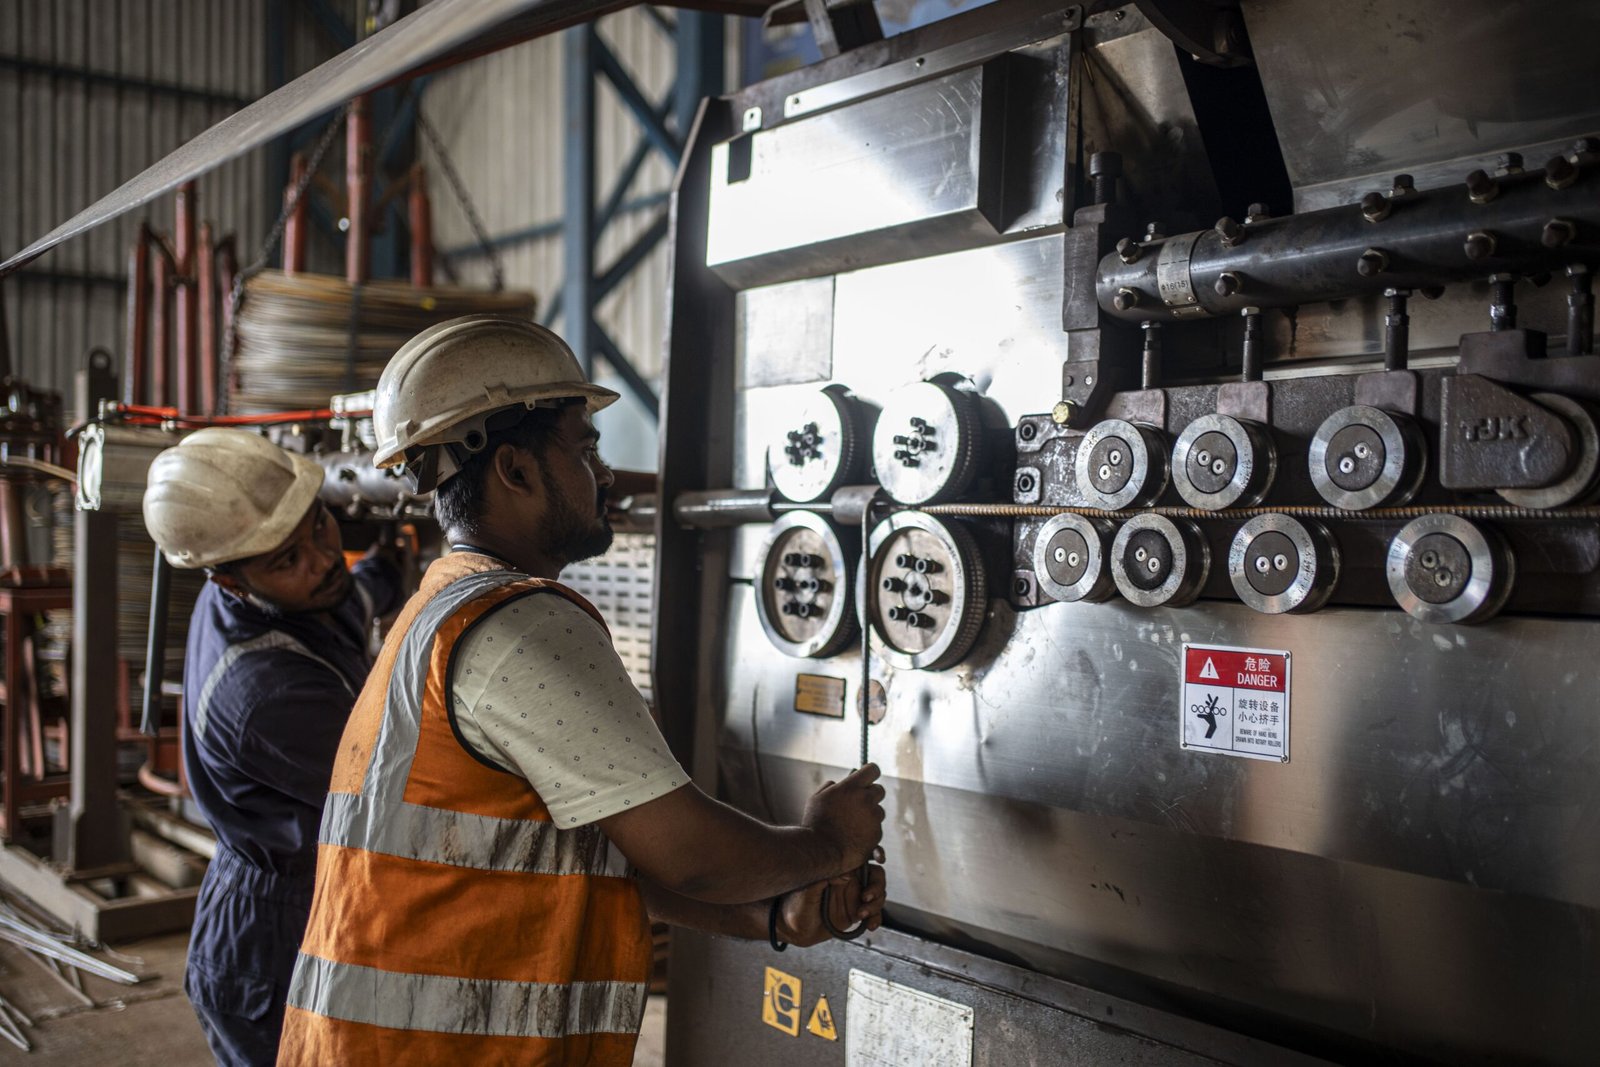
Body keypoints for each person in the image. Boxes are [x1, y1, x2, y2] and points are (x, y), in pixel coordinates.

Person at [277, 316, 886, 1065]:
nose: (605, 474)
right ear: (515, 469)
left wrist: (772, 916)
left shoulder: (440, 608)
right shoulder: (520, 623)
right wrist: (827, 842)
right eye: (585, 447)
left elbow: (583, 859)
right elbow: (689, 852)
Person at [142, 428, 402, 1067]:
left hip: (310, 894)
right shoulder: (263, 692)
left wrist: (396, 556)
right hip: (270, 934)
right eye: (288, 559)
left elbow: (357, 591)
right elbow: (401, 784)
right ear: (229, 581)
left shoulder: (297, 596)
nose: (321, 559)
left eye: (320, 526)